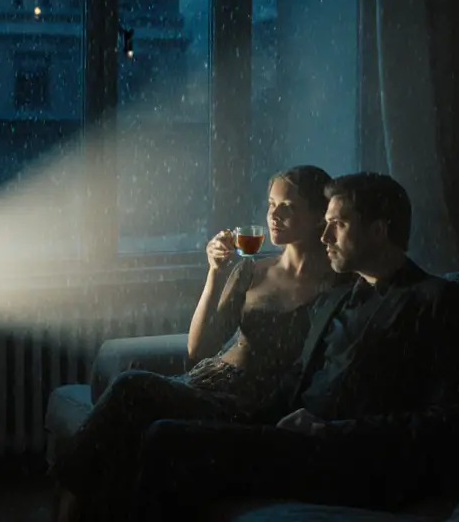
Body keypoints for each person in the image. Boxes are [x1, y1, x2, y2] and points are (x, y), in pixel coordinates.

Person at [131, 172, 459, 519]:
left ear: (379, 231)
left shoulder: (441, 301)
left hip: (350, 456)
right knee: (156, 422)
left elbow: (449, 422)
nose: (325, 236)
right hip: (293, 440)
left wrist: (330, 431)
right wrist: (246, 425)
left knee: (167, 442)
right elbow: (296, 378)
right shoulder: (337, 298)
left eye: (339, 225)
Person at [52, 165, 351, 522]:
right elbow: (200, 349)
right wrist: (215, 273)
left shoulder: (339, 286)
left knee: (132, 388)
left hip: (246, 403)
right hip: (205, 381)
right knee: (128, 418)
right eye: (271, 204)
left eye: (288, 207)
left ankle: (73, 506)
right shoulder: (252, 269)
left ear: (319, 217)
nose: (274, 215)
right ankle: (79, 508)